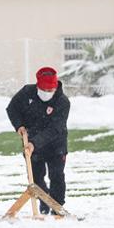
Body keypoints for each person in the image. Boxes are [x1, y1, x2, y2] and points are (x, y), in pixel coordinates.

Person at [6, 67, 70, 215]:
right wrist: (19, 125)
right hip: (31, 142)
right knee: (35, 176)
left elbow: (55, 128)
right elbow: (12, 109)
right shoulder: (27, 93)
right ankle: (44, 200)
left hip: (55, 143)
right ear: (37, 86)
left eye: (50, 90)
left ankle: (57, 208)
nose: (47, 93)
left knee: (57, 175)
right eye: (44, 89)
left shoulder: (62, 102)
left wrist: (35, 143)